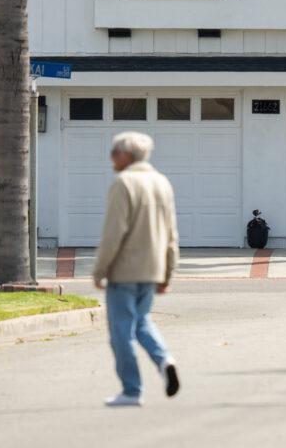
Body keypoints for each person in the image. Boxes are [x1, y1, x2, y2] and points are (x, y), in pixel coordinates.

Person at [93, 131, 181, 407]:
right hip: (152, 269)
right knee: (141, 322)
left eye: (114, 152)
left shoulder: (124, 183)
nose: (111, 158)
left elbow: (113, 233)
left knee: (121, 331)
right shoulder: (161, 182)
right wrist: (168, 272)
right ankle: (164, 359)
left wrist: (100, 269)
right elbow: (171, 233)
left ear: (126, 155)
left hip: (124, 270)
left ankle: (131, 390)